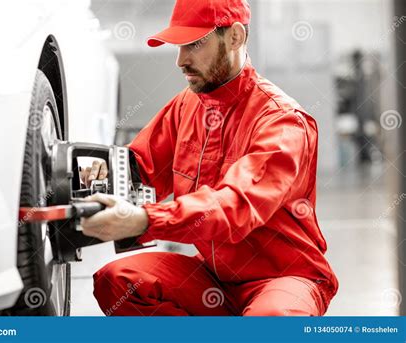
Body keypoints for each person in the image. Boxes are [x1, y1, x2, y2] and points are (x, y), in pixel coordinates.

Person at [80, 0, 338, 316]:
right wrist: (93, 176)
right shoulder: (186, 107)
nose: (180, 60)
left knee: (270, 319)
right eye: (177, 46)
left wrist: (146, 219)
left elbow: (234, 207)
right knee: (119, 281)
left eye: (194, 44)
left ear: (235, 37)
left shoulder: (282, 122)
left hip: (283, 278)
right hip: (215, 278)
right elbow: (139, 167)